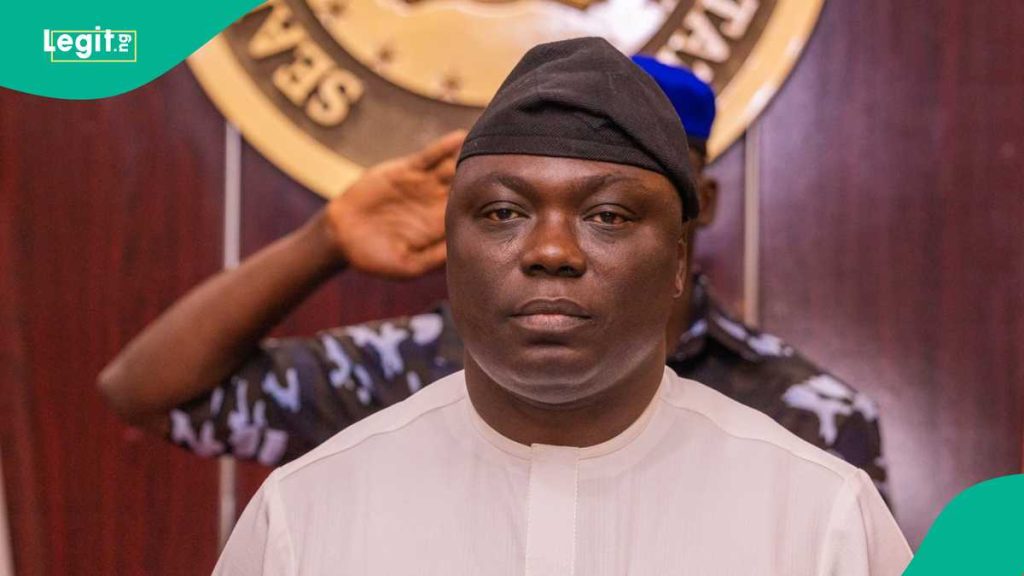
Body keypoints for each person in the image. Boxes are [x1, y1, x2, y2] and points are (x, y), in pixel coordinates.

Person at [211, 37, 911, 574]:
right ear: (449, 250)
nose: (551, 250)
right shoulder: (305, 515)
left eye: (607, 216)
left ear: (678, 261)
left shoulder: (822, 517)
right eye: (503, 212)